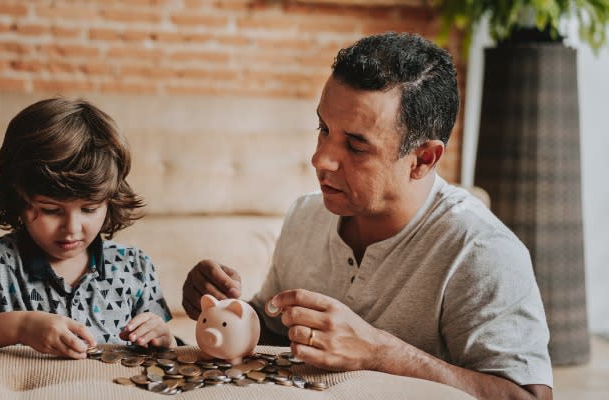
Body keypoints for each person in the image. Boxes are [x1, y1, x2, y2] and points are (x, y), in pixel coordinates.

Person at [182, 32, 553, 400]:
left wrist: (380, 352)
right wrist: (220, 310)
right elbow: (274, 331)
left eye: (356, 146)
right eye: (323, 129)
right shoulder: (306, 215)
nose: (320, 159)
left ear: (423, 159)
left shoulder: (481, 250)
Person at [0, 98, 174, 359]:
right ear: (18, 197)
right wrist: (21, 326)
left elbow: (163, 346)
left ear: (110, 199)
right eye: (51, 210)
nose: (71, 228)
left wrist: (164, 337)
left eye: (90, 209)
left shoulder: (136, 266)